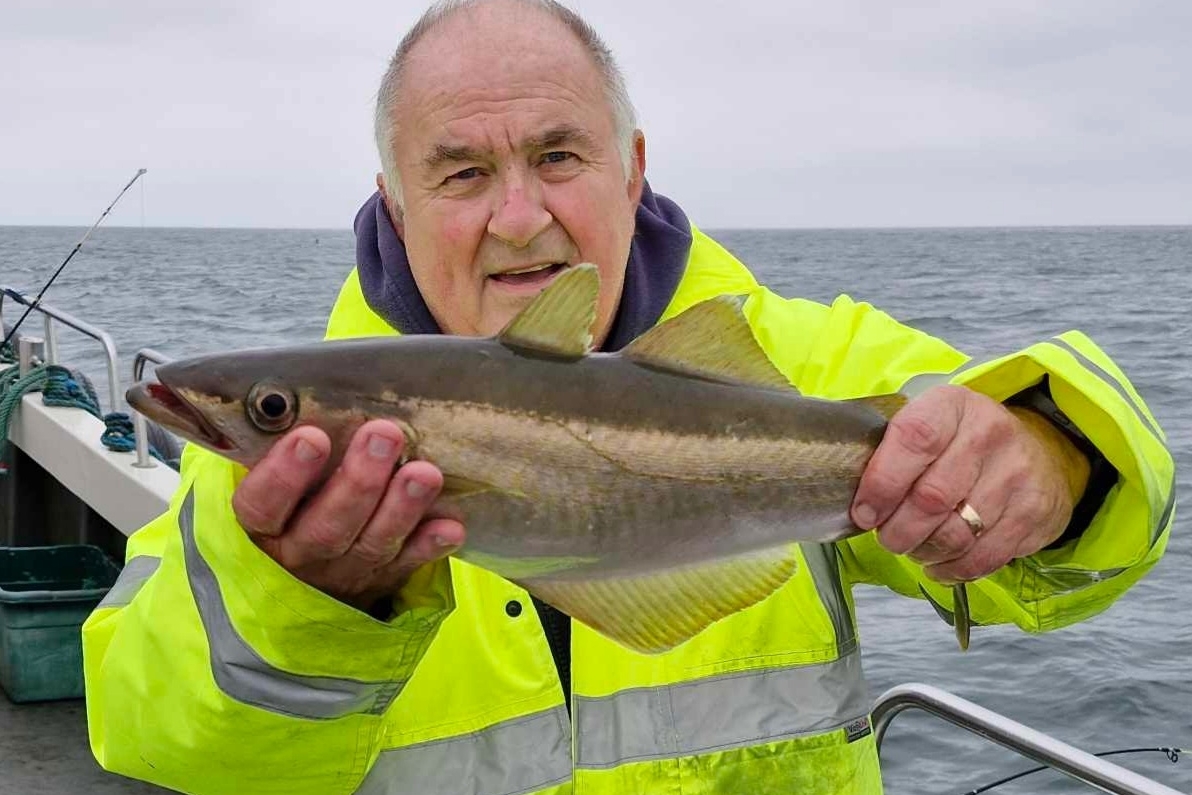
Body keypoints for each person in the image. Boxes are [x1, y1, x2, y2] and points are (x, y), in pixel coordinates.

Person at [82, 1, 1175, 793]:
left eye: (559, 156)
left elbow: (1083, 522)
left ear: (632, 166)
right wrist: (305, 601)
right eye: (461, 173)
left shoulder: (806, 363)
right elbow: (156, 739)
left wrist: (1054, 464)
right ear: (395, 200)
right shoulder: (267, 492)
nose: (520, 217)